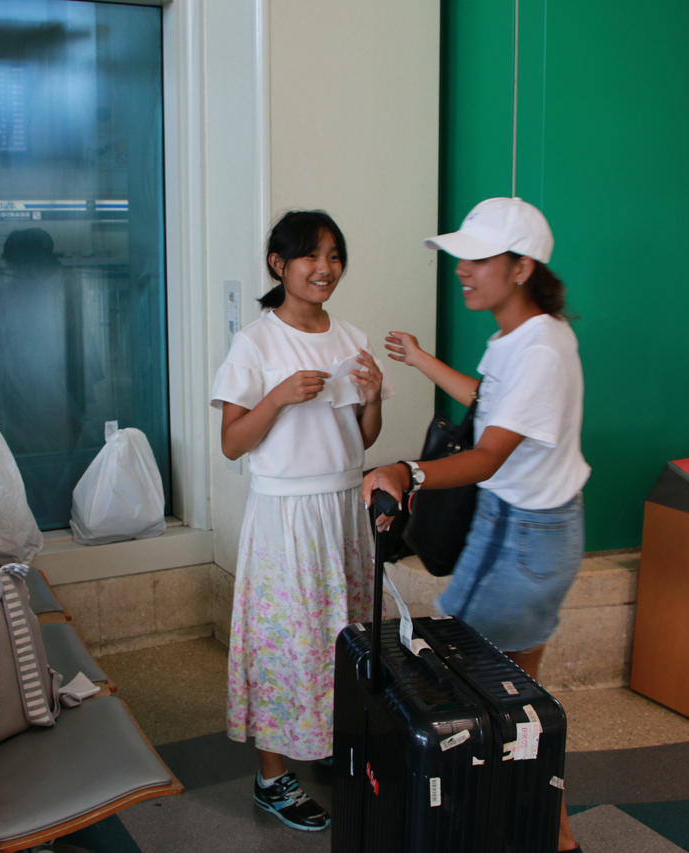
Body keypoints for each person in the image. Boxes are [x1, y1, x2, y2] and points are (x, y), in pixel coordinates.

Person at [361, 197, 587, 853]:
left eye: (478, 258)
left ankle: (512, 829)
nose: (462, 269)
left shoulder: (540, 348)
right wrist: (423, 359)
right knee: (518, 704)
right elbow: (491, 406)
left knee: (466, 693)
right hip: (522, 528)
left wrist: (408, 470)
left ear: (521, 268)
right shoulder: (521, 336)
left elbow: (488, 453)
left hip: (524, 537)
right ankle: (552, 833)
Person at [211, 210, 393, 832]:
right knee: (283, 642)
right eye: (311, 257)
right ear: (278, 265)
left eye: (335, 256)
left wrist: (370, 400)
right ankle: (272, 777)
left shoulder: (352, 336)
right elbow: (233, 443)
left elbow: (363, 438)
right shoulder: (255, 343)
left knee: (346, 639)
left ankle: (337, 745)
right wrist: (279, 396)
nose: (325, 269)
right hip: (284, 515)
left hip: (343, 509)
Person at [0, 228, 88, 454]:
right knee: (55, 447)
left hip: (12, 384)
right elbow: (73, 336)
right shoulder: (58, 292)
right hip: (54, 384)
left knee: (16, 450)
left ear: (10, 260)